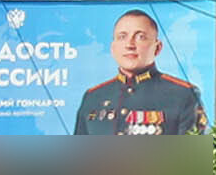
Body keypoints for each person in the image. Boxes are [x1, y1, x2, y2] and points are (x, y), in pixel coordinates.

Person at [72, 9, 206, 136]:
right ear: (113, 48)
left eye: (140, 37)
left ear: (157, 48)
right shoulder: (93, 97)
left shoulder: (183, 95)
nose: (130, 44)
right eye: (122, 37)